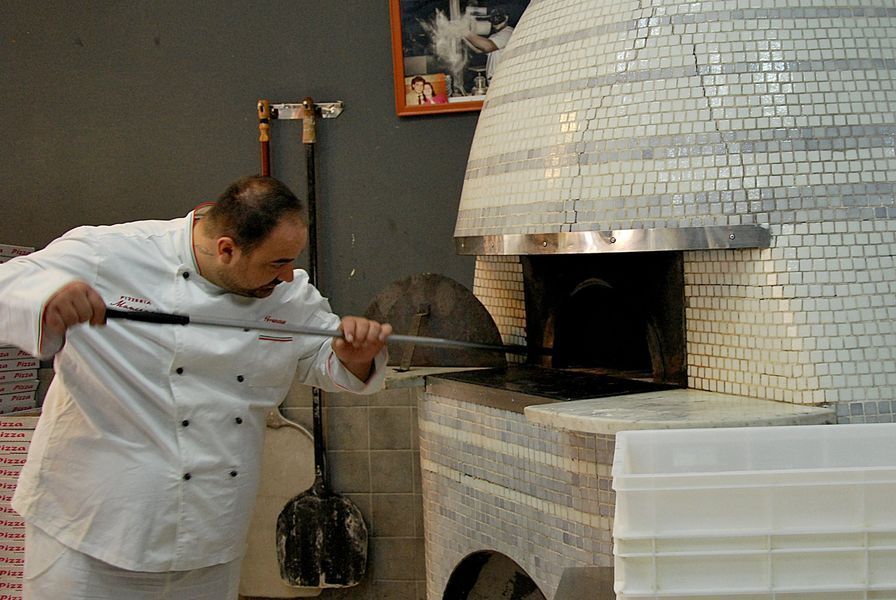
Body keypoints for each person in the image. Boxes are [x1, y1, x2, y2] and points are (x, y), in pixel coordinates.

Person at [0, 176, 392, 599]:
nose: (287, 275)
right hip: (90, 529)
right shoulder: (110, 253)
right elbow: (8, 286)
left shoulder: (287, 294)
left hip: (210, 533)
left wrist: (356, 354)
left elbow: (325, 361)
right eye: (275, 263)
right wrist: (46, 300)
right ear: (226, 248)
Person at [464, 9, 514, 83]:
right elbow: (479, 50)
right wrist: (463, 36)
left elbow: (487, 47)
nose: (495, 20)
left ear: (506, 18)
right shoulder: (495, 36)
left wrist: (465, 32)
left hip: (502, 80)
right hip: (494, 80)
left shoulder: (507, 33)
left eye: (497, 17)